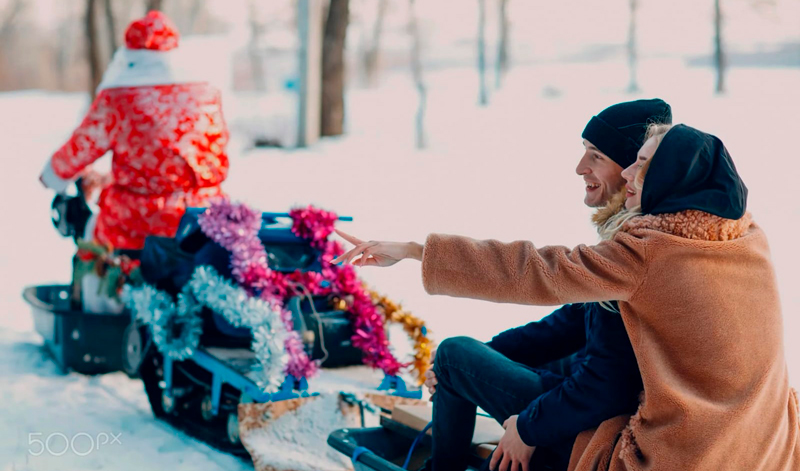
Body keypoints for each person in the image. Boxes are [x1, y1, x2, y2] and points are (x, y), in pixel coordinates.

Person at [333, 123, 799, 471]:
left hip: (678, 455)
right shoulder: (746, 241)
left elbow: (534, 270)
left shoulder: (649, 251)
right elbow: (568, 327)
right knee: (531, 360)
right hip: (764, 448)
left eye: (642, 164)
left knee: (455, 355)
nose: (630, 171)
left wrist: (416, 251)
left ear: (671, 177)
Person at [357, 99, 673, 471]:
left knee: (453, 354)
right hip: (597, 411)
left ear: (636, 168)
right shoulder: (638, 239)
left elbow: (606, 383)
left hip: (601, 432)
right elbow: (567, 326)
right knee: (470, 361)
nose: (579, 167)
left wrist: (528, 427)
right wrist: (486, 357)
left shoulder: (635, 255)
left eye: (597, 156)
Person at [39, 11, 230, 251]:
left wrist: (52, 175)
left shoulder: (119, 96)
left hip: (139, 224)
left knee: (90, 233)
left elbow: (78, 150)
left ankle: (97, 271)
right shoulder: (207, 92)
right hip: (205, 217)